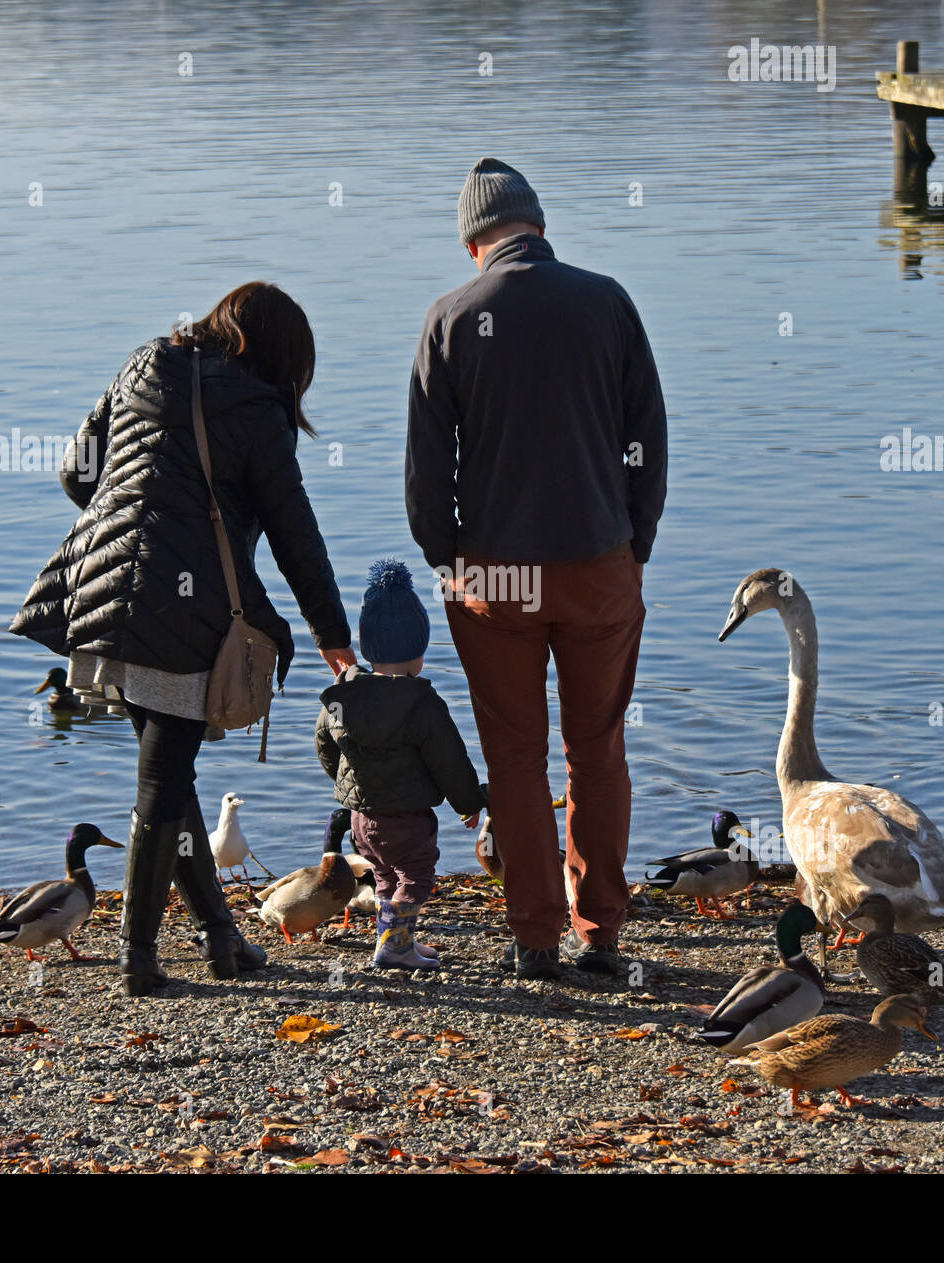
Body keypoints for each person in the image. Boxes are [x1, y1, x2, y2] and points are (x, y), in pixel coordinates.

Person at [11, 281, 356, 995]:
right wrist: (332, 632)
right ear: (282, 358)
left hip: (100, 598)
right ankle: (139, 958)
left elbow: (78, 473)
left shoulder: (144, 364)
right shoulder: (261, 410)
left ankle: (220, 937)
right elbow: (295, 531)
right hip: (180, 619)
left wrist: (136, 516)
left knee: (171, 775)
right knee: (162, 779)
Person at [405, 158, 668, 979]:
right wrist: (635, 542)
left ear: (474, 243)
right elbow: (647, 443)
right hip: (599, 562)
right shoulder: (608, 301)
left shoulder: (451, 316)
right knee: (599, 748)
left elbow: (425, 472)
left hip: (494, 576)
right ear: (539, 228)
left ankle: (534, 938)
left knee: (514, 755)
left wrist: (446, 558)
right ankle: (602, 930)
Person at [315, 559, 486, 971]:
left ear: (368, 649)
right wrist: (469, 801)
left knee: (384, 877)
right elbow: (449, 760)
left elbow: (324, 744)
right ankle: (395, 945)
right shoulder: (423, 703)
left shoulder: (342, 696)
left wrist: (348, 781)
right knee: (416, 880)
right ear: (419, 652)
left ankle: (394, 942)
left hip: (360, 818)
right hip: (406, 820)